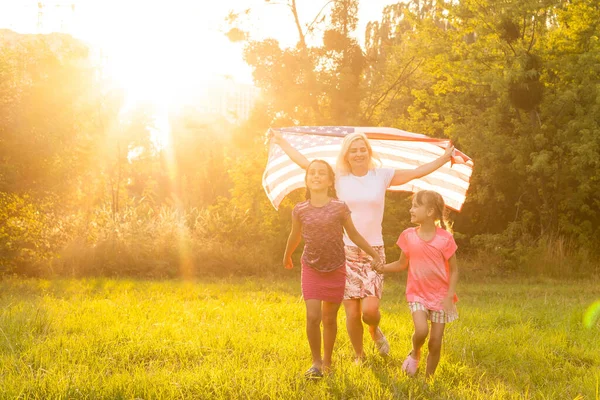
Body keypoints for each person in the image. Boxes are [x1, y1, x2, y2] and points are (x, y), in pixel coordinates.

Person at [271, 129, 454, 362]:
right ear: (346, 155)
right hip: (343, 251)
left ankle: (374, 329)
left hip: (373, 250)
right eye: (353, 150)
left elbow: (416, 172)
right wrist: (282, 142)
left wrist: (443, 158)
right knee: (351, 311)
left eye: (362, 149)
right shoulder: (338, 176)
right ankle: (359, 355)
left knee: (369, 311)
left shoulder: (382, 175)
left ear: (368, 152)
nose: (358, 154)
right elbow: (306, 164)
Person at [283, 159, 383, 379]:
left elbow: (354, 235)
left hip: (336, 267)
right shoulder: (299, 210)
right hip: (311, 266)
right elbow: (295, 235)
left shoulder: (339, 207)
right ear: (306, 180)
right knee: (312, 317)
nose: (316, 176)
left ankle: (327, 363)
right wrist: (287, 254)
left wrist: (374, 254)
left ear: (330, 181)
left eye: (321, 173)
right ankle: (316, 363)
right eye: (312, 173)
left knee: (329, 319)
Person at [375, 190, 459, 378]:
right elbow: (401, 264)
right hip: (417, 294)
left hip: (440, 296)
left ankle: (428, 379)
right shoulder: (408, 236)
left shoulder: (445, 239)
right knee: (421, 330)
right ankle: (415, 353)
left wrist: (449, 295)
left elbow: (454, 270)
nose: (410, 209)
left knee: (435, 342)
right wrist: (382, 268)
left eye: (415, 206)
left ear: (429, 212)